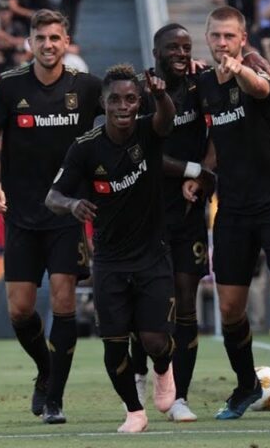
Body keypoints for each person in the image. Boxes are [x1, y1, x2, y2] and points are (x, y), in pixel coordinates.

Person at [182, 7, 270, 421]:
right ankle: (245, 387)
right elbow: (217, 139)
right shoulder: (204, 84)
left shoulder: (257, 69)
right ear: (208, 38)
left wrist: (241, 69)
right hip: (233, 206)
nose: (222, 43)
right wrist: (201, 174)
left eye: (229, 36)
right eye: (215, 36)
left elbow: (259, 90)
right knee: (230, 308)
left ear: (243, 39)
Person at [0, 9, 102, 424]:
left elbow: (126, 117)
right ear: (29, 42)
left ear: (67, 42)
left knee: (65, 301)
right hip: (21, 214)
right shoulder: (11, 85)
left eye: (55, 37)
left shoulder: (87, 88)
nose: (48, 44)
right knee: (20, 309)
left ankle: (55, 400)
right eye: (40, 37)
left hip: (67, 214)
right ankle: (45, 371)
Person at [45, 64, 177, 433]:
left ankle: (164, 368)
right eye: (115, 99)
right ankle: (135, 411)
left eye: (131, 99)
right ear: (103, 104)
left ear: (139, 102)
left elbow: (167, 119)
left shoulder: (149, 132)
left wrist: (162, 96)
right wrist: (72, 205)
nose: (123, 106)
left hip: (152, 254)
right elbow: (53, 197)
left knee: (154, 339)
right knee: (114, 343)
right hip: (109, 258)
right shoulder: (85, 148)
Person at [129, 24, 210, 422]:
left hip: (189, 213)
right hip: (146, 213)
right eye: (172, 47)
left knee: (186, 300)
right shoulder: (141, 94)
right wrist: (191, 169)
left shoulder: (202, 84)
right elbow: (142, 154)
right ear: (156, 51)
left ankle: (180, 396)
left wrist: (204, 174)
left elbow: (221, 131)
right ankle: (142, 372)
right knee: (147, 305)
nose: (181, 52)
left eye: (186, 47)